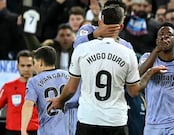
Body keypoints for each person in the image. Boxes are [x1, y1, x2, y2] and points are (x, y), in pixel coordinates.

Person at [47, 6, 166, 135]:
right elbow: (134, 91)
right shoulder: (127, 53)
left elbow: (70, 89)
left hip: (88, 119)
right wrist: (150, 73)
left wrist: (60, 100)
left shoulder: (81, 50)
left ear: (100, 23)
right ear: (121, 26)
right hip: (115, 121)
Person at [21, 46, 70, 135]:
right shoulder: (68, 75)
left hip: (48, 130)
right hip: (70, 129)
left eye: (34, 62)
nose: (33, 66)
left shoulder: (34, 81)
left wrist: (23, 130)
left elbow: (28, 105)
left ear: (40, 63)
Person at [0, 50, 39, 135]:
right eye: (22, 65)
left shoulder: (40, 87)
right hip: (12, 131)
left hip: (34, 130)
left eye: (29, 66)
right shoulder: (8, 87)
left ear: (34, 66)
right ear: (17, 66)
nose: (26, 69)